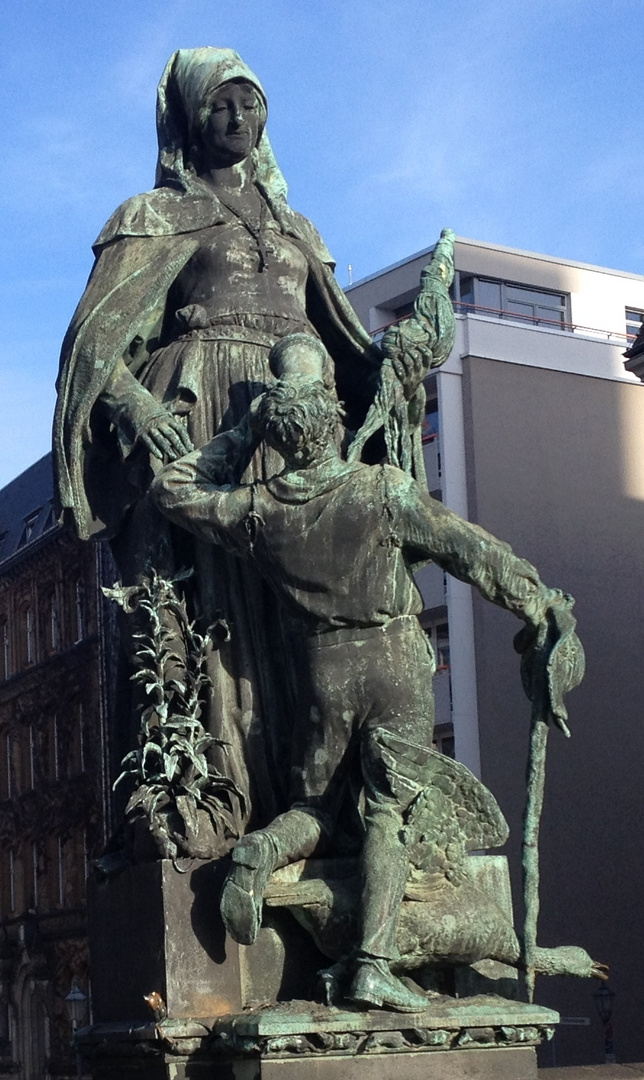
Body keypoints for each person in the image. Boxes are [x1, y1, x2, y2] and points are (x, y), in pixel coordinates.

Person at [53, 48, 435, 837]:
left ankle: (316, 806)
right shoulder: (150, 217)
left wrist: (389, 363)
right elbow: (92, 345)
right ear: (192, 119)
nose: (238, 119)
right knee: (212, 613)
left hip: (297, 422)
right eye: (221, 105)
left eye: (250, 104)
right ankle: (206, 799)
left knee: (301, 611)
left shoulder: (298, 229)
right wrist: (131, 407)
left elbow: (342, 345)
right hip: (202, 418)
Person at [150, 333, 583, 1011]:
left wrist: (242, 429)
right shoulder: (382, 490)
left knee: (316, 808)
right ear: (334, 420)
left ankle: (260, 851)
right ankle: (372, 965)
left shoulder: (262, 510)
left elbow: (174, 488)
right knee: (389, 818)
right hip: (393, 660)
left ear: (280, 431)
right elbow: (470, 551)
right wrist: (535, 600)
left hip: (320, 671)